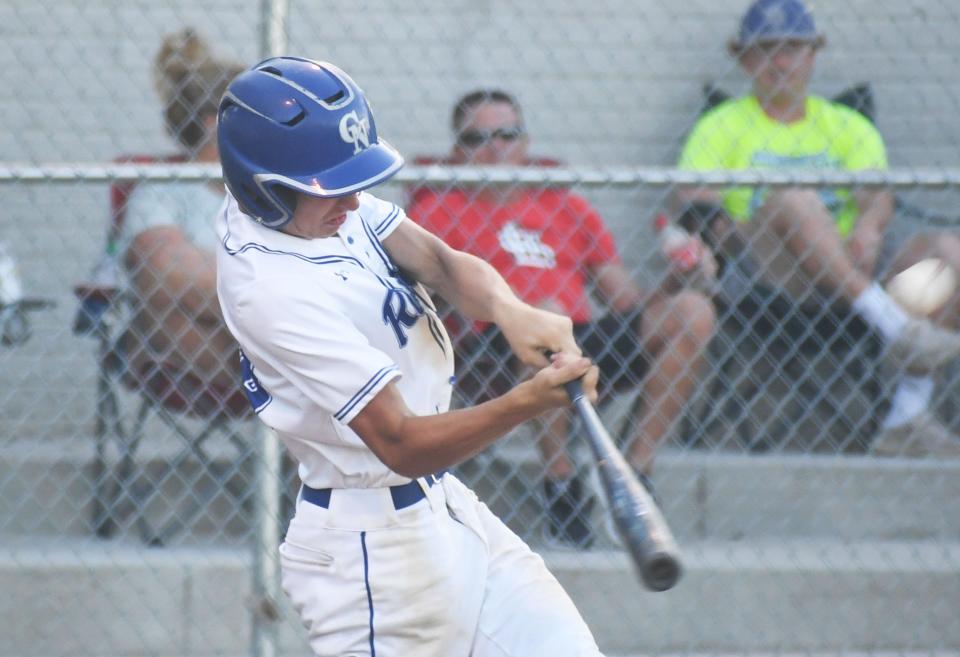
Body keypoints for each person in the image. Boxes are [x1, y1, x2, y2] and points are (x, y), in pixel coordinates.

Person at [215, 57, 607, 656]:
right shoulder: (269, 287)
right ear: (261, 186)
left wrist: (508, 309)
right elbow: (399, 441)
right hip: (373, 556)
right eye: (329, 187)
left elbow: (440, 261)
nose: (349, 200)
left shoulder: (319, 207)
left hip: (445, 510)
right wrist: (526, 404)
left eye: (351, 181)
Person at [407, 89, 717, 547]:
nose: (496, 147)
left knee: (692, 312)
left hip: (582, 337)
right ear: (458, 152)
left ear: (527, 144)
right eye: (479, 138)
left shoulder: (568, 208)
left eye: (508, 134)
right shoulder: (433, 213)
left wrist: (680, 279)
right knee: (544, 320)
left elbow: (626, 302)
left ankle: (634, 473)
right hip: (486, 345)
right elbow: (420, 303)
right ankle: (561, 482)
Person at [675, 0, 960, 456]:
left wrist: (868, 226)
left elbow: (877, 196)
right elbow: (696, 206)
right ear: (746, 59)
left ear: (813, 55)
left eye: (794, 48)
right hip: (769, 279)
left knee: (949, 251)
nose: (782, 61)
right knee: (794, 198)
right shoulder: (721, 125)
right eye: (767, 49)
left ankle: (906, 416)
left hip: (855, 266)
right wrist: (733, 232)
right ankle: (891, 324)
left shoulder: (845, 124)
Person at [117, 28, 244, 403]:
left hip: (275, 346)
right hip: (206, 354)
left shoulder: (279, 192)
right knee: (158, 276)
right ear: (213, 123)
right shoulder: (162, 191)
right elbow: (163, 269)